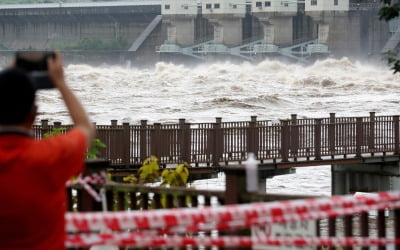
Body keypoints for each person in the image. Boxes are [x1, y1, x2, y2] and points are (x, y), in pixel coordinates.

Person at [0, 52, 95, 250]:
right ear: (34, 114)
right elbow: (85, 127)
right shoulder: (50, 156)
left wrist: (11, 76)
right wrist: (60, 82)